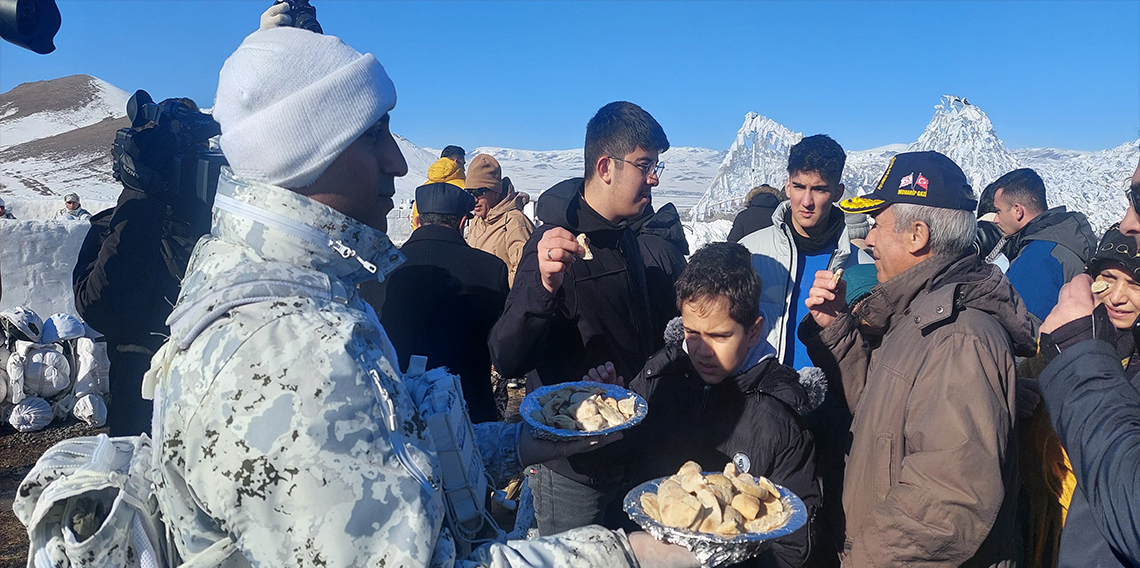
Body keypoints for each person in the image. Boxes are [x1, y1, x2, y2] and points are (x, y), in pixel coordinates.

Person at [148, 25, 695, 568]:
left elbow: (387, 451)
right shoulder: (294, 349)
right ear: (309, 151)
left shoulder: (288, 286)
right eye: (374, 135)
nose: (398, 162)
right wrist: (628, 555)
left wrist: (520, 445)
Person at [801, 151, 1035, 567]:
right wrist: (838, 328)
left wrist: (861, 561)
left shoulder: (959, 339)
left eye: (877, 224)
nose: (868, 240)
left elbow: (947, 503)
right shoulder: (920, 315)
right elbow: (881, 411)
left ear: (917, 236)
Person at [488, 100, 669, 535]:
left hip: (627, 451)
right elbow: (507, 354)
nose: (655, 177)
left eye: (656, 165)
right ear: (606, 167)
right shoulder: (553, 243)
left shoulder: (627, 236)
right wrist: (542, 289)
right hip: (571, 467)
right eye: (645, 165)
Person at [619, 242, 820, 567]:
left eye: (720, 336)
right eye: (691, 333)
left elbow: (791, 543)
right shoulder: (661, 374)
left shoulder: (779, 414)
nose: (702, 350)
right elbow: (619, 463)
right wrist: (613, 415)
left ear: (754, 331)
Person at [738, 134, 869, 565]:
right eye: (798, 186)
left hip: (833, 411)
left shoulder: (862, 263)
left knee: (824, 523)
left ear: (838, 192)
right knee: (756, 518)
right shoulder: (753, 251)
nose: (807, 201)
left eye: (820, 189)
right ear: (786, 184)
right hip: (765, 406)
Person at [73, 104, 213, 437]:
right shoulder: (120, 224)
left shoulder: (224, 228)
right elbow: (97, 306)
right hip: (140, 422)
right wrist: (140, 198)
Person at [1034, 159, 1140, 568]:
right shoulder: (1093, 340)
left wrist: (1079, 358)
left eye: (1134, 284)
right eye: (1107, 280)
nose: (1117, 296)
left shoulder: (1083, 347)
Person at [363, 182, 508, 424]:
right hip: (469, 412)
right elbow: (501, 341)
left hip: (395, 412)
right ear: (462, 223)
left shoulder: (379, 269)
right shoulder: (490, 269)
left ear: (417, 221)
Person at [989, 168, 1096, 321]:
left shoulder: (1038, 258)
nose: (996, 220)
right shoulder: (1064, 238)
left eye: (998, 211)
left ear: (1017, 210)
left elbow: (1025, 329)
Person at [464, 153, 535, 287]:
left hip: (500, 303)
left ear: (495, 192)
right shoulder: (477, 221)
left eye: (479, 192)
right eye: (469, 192)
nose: (474, 199)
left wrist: (494, 289)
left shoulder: (514, 222)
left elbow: (524, 273)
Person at [629, 198, 689, 345]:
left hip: (663, 345)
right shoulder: (661, 238)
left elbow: (650, 314)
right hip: (679, 337)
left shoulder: (641, 248)